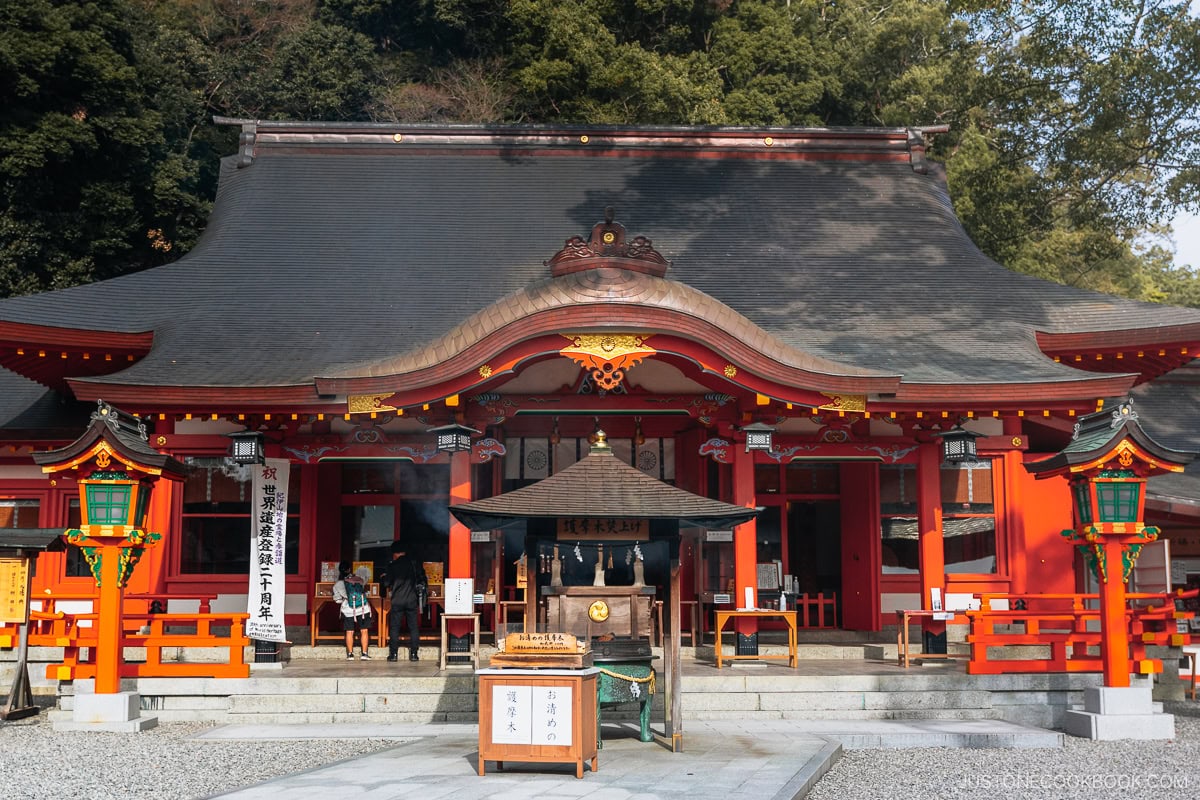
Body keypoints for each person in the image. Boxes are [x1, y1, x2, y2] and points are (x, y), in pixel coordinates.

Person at [385, 541, 426, 662]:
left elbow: (387, 583)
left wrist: (383, 577)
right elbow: (422, 578)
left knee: (394, 627)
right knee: (413, 626)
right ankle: (414, 654)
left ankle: (393, 655)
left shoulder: (392, 566)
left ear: (396, 553)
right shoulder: (414, 565)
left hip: (397, 600)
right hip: (411, 599)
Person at [332, 561, 373, 660]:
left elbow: (337, 600)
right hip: (363, 609)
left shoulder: (338, 584)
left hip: (348, 610)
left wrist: (345, 599)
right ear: (349, 569)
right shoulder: (359, 579)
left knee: (349, 632)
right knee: (364, 631)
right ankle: (364, 654)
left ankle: (350, 654)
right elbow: (367, 577)